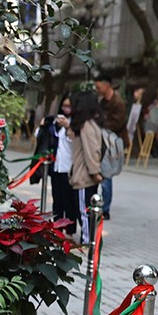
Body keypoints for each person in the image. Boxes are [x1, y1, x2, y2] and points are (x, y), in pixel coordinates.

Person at [67, 91, 105, 242]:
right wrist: (95, 172)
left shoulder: (86, 125)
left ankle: (88, 239)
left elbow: (91, 151)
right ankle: (89, 239)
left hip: (85, 176)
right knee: (86, 210)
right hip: (85, 176)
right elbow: (91, 150)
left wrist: (95, 172)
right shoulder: (86, 125)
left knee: (85, 210)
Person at [36, 95, 75, 232]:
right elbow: (39, 135)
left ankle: (70, 230)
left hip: (69, 168)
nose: (66, 109)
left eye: (69, 106)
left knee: (69, 201)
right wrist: (46, 124)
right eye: (64, 106)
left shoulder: (75, 123)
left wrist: (68, 126)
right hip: (56, 166)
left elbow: (74, 141)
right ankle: (57, 228)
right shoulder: (54, 124)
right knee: (57, 200)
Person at [94, 76, 128, 218]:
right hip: (101, 141)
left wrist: (99, 125)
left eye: (98, 87)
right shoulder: (102, 102)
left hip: (112, 144)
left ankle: (105, 209)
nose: (97, 90)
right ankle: (99, 204)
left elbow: (118, 123)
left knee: (107, 175)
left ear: (107, 85)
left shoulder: (118, 103)